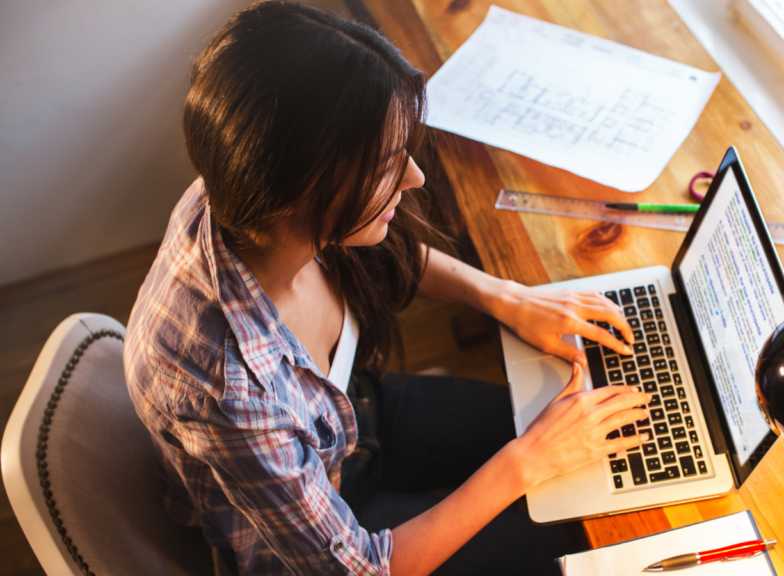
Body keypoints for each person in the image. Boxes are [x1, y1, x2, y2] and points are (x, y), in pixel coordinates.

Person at [124, 2, 648, 574]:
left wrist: (505, 298)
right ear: (300, 189)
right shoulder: (231, 392)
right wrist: (528, 461)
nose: (415, 177)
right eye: (387, 164)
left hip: (357, 411)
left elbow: (386, 248)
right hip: (336, 516)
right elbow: (363, 569)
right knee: (586, 536)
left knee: (605, 461)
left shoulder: (248, 185)